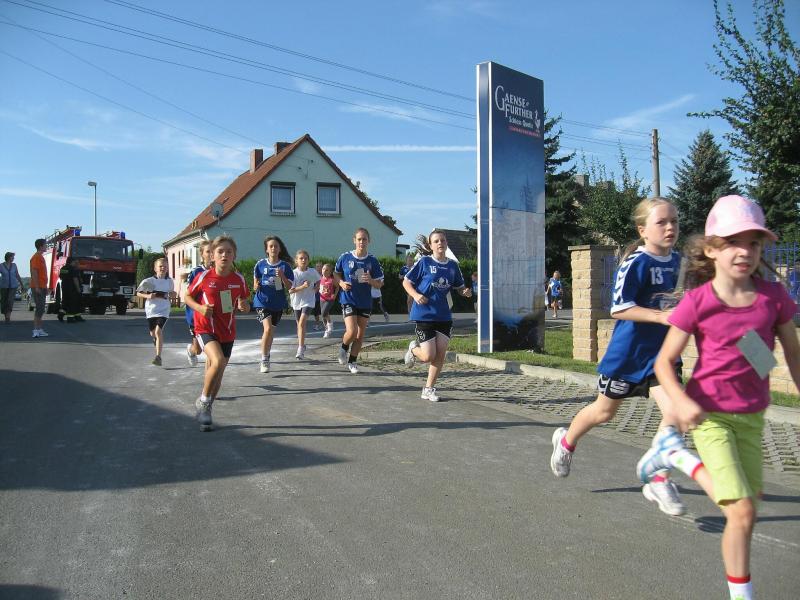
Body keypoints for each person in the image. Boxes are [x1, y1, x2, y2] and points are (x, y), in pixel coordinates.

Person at [636, 195, 800, 600]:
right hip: (710, 416)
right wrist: (680, 401)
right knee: (740, 511)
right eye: (732, 242)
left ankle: (671, 453)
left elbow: (793, 357)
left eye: (753, 243)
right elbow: (663, 363)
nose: (744, 251)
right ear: (711, 249)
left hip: (753, 418)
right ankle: (677, 456)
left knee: (748, 510)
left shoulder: (773, 298)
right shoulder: (699, 301)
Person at [549, 197, 688, 516]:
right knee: (603, 412)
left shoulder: (680, 263)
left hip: (664, 356)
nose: (670, 227)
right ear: (643, 230)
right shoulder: (636, 262)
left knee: (676, 413)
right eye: (661, 222)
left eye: (675, 221)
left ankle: (659, 477)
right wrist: (660, 316)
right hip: (628, 356)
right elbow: (619, 308)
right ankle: (566, 442)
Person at [185, 236, 251, 432]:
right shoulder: (204, 277)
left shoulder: (238, 279)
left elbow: (245, 301)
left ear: (234, 255)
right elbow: (186, 297)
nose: (224, 255)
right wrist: (200, 308)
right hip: (205, 327)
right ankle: (203, 401)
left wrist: (244, 306)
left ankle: (206, 411)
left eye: (229, 252)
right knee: (218, 360)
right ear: (212, 256)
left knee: (218, 373)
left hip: (227, 330)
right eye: (220, 251)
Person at [403, 229, 472, 402]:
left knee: (440, 355)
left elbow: (459, 287)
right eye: (436, 241)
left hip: (443, 315)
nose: (440, 243)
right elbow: (406, 282)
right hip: (424, 314)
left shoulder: (453, 266)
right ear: (430, 245)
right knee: (428, 356)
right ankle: (413, 348)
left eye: (442, 240)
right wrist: (416, 295)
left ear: (446, 243)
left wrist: (465, 292)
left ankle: (428, 389)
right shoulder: (424, 262)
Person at [334, 227, 384, 374]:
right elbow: (336, 274)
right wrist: (341, 283)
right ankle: (343, 348)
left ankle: (352, 361)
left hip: (365, 301)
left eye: (364, 239)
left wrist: (371, 280)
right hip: (348, 298)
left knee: (360, 334)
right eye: (359, 239)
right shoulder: (345, 257)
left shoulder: (372, 260)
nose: (362, 242)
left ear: (369, 241)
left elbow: (380, 283)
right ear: (354, 241)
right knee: (352, 331)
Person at [252, 235, 294, 373]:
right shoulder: (260, 264)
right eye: (271, 246)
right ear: (267, 249)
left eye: (276, 246)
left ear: (280, 249)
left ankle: (267, 354)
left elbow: (290, 287)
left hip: (277, 303)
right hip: (262, 301)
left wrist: (282, 276)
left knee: (270, 332)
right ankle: (264, 359)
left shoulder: (285, 266)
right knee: (268, 329)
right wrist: (256, 286)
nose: (273, 248)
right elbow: (255, 284)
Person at [136, 257, 175, 366]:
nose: (163, 268)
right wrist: (148, 296)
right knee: (152, 333)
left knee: (158, 331)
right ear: (155, 268)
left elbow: (171, 294)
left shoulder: (169, 281)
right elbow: (138, 293)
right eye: (160, 266)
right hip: (151, 310)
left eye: (165, 266)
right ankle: (155, 339)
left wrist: (173, 294)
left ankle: (158, 357)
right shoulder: (149, 281)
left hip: (164, 310)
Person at [184, 240, 212, 366]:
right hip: (196, 316)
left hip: (212, 316)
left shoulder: (220, 271)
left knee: (212, 348)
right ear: (202, 254)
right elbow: (189, 295)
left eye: (213, 251)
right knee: (198, 350)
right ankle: (191, 350)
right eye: (208, 251)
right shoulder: (196, 272)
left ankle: (212, 367)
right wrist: (200, 307)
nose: (211, 254)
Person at [289, 249, 321, 359]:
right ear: (296, 261)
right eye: (301, 258)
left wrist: (316, 287)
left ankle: (300, 348)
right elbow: (291, 290)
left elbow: (319, 280)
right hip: (296, 301)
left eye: (305, 258)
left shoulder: (312, 271)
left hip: (308, 301)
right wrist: (302, 287)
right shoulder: (293, 273)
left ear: (308, 260)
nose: (303, 260)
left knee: (302, 322)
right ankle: (302, 345)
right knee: (300, 325)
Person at [29, 238, 49, 338]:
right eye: (45, 245)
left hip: (42, 286)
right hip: (38, 286)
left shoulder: (40, 257)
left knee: (41, 309)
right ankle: (35, 330)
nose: (46, 246)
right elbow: (34, 272)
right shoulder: (36, 257)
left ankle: (39, 329)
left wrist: (45, 287)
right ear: (41, 246)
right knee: (39, 308)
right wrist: (37, 287)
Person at [0, 251, 24, 324]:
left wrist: (21, 284)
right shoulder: (1, 265)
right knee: (4, 301)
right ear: (8, 257)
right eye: (12, 257)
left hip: (13, 286)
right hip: (4, 287)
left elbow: (17, 275)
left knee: (10, 301)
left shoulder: (14, 265)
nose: (13, 258)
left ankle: (8, 317)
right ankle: (6, 315)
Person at [57, 257, 84, 323]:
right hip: (73, 289)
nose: (76, 263)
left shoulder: (63, 268)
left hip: (65, 288)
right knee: (73, 303)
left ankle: (61, 314)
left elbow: (61, 277)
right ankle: (70, 318)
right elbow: (75, 279)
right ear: (72, 262)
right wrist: (78, 289)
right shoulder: (73, 269)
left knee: (65, 302)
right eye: (75, 261)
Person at [318, 263, 338, 338]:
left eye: (327, 270)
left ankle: (330, 323)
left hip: (330, 299)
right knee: (323, 315)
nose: (324, 271)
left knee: (323, 313)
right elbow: (318, 287)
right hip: (322, 299)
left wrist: (335, 295)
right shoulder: (320, 278)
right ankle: (326, 331)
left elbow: (337, 287)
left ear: (330, 272)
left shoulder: (332, 280)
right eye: (323, 269)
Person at [312, 260, 324, 331]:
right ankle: (317, 324)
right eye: (317, 267)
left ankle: (327, 324)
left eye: (320, 266)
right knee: (316, 312)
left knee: (324, 312)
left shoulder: (324, 276)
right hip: (316, 297)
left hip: (324, 297)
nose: (318, 268)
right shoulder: (313, 276)